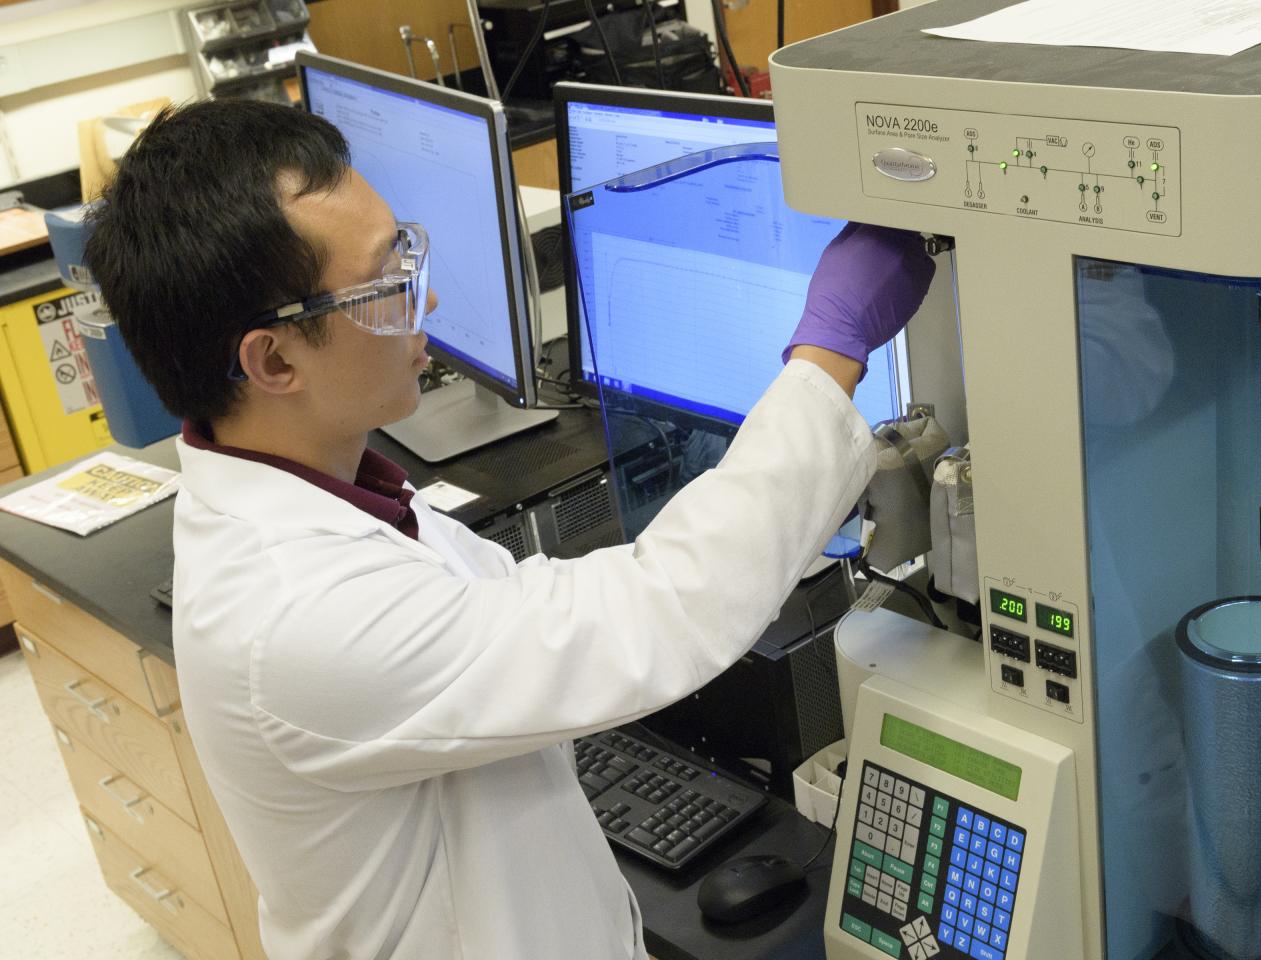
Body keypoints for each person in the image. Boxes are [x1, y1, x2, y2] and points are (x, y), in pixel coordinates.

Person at [86, 99, 936, 960]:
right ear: (273, 359)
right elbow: (654, 614)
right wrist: (832, 349)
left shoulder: (331, 491)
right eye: (387, 284)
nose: (428, 297)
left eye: (406, 251)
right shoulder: (295, 617)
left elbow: (537, 619)